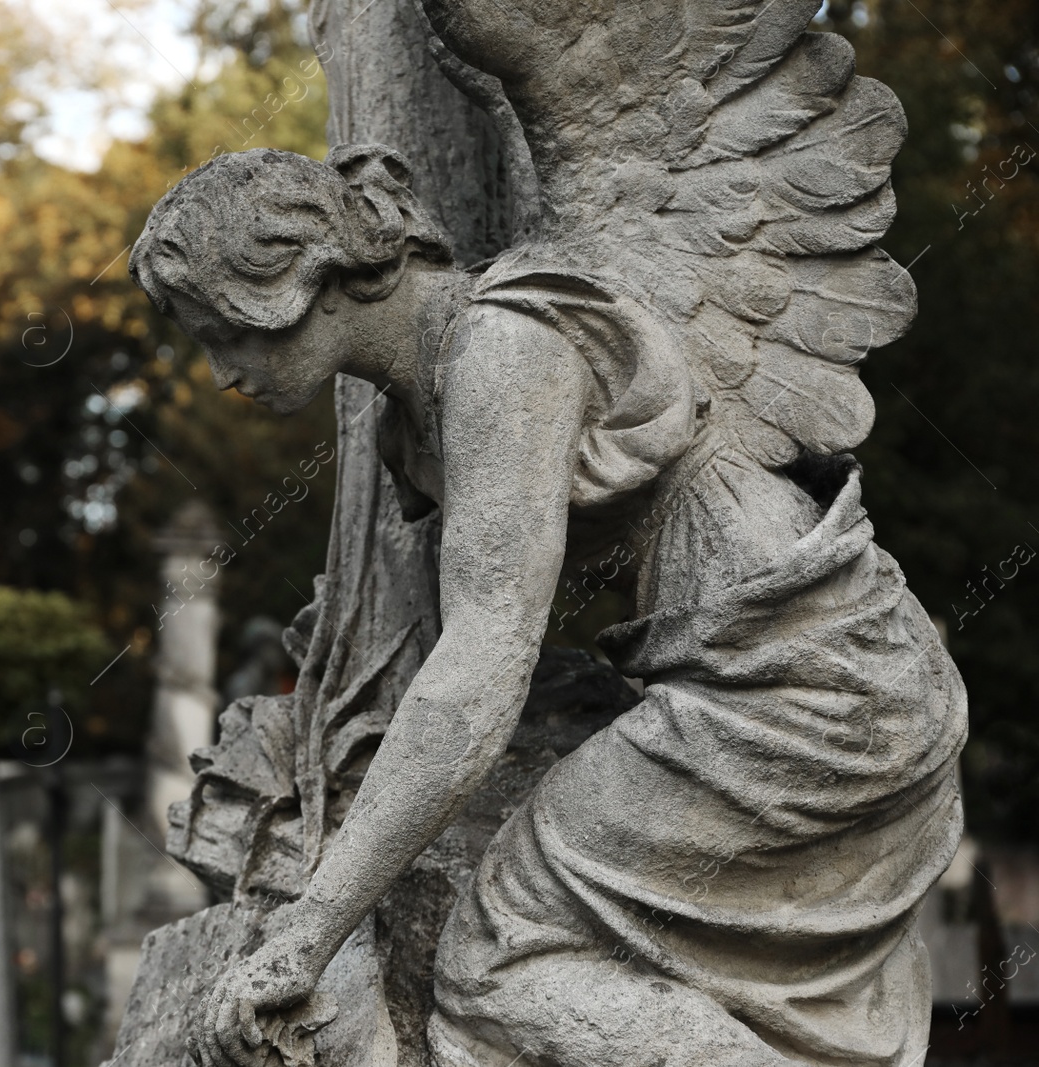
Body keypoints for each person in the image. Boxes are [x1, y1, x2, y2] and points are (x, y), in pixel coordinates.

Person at [129, 142, 966, 1066]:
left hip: (805, 684)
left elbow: (485, 659)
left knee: (502, 972)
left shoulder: (504, 350)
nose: (221, 372)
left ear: (298, 280)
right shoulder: (412, 416)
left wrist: (314, 922)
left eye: (221, 331)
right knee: (524, 971)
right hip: (756, 677)